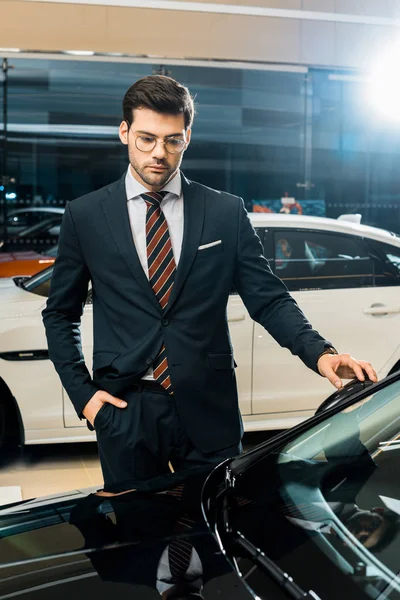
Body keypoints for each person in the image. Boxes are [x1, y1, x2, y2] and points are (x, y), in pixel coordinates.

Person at [42, 75, 377, 495]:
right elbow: (60, 314)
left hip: (209, 406)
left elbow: (268, 299)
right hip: (125, 410)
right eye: (146, 139)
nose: (159, 154)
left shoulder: (225, 212)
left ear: (188, 137)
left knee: (217, 533)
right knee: (136, 543)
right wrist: (85, 397)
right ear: (124, 131)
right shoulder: (85, 215)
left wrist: (321, 353)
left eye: (173, 140)